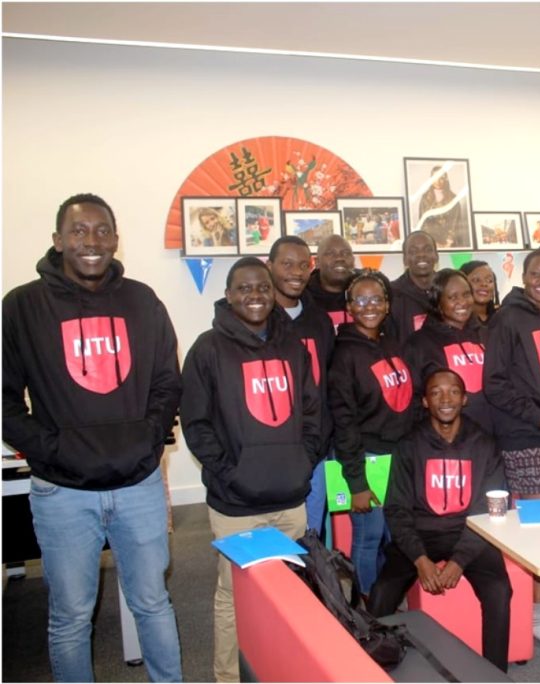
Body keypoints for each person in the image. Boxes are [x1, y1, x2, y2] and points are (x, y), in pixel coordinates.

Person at [2, 193, 183, 682]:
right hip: (62, 492)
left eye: (102, 230)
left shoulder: (142, 301)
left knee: (152, 602)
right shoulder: (21, 306)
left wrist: (147, 440)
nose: (91, 241)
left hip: (138, 485)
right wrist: (52, 450)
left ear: (116, 240)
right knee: (70, 617)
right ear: (58, 240)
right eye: (79, 231)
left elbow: (168, 381)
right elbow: (4, 400)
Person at [181, 256, 319, 682]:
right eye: (244, 288)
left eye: (261, 288)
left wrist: (303, 463)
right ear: (228, 295)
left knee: (292, 590)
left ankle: (284, 668)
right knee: (234, 596)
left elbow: (313, 413)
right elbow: (197, 424)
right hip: (236, 502)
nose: (254, 296)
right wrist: (230, 474)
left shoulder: (293, 346)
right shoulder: (207, 348)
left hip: (290, 497)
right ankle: (229, 677)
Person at [367, 368, 511, 671]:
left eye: (453, 392)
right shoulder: (409, 444)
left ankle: (496, 674)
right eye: (436, 392)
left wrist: (459, 560)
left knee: (499, 590)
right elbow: (397, 509)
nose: (445, 399)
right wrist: (419, 559)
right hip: (422, 533)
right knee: (382, 592)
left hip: (471, 533)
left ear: (465, 398)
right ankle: (372, 667)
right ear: (424, 401)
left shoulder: (484, 444)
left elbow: (489, 511)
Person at [483, 247, 540, 649]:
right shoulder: (507, 319)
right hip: (527, 438)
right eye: (537, 273)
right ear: (523, 274)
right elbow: (495, 383)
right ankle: (536, 617)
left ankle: (535, 607)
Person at [328, 270, 415, 600]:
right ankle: (367, 609)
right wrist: (357, 483)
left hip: (398, 459)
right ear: (349, 307)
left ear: (388, 305)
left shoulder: (390, 343)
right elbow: (344, 422)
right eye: (360, 300)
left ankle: (388, 601)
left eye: (376, 299)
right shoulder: (345, 354)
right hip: (367, 460)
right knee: (368, 537)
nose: (369, 306)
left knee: (396, 536)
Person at [267, 236, 336, 536]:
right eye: (287, 264)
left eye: (303, 265)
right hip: (269, 452)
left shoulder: (319, 321)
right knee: (274, 543)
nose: (296, 272)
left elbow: (329, 383)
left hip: (314, 454)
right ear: (269, 267)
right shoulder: (256, 321)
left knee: (311, 535)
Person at [404, 269, 492, 433]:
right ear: (438, 303)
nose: (462, 302)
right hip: (446, 442)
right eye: (452, 297)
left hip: (491, 439)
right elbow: (414, 400)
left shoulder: (487, 335)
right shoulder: (419, 344)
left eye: (466, 294)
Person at [388, 230, 439, 344]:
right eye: (413, 251)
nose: (421, 254)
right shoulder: (392, 295)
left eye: (427, 249)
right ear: (405, 259)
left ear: (436, 256)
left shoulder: (448, 289)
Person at [306, 234, 355, 331]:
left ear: (353, 260)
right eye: (330, 253)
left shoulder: (365, 292)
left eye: (345, 253)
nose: (339, 258)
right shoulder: (304, 298)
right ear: (317, 262)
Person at [418, 166, 465, 248]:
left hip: (450, 243)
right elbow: (423, 223)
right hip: (430, 243)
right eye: (435, 178)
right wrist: (434, 243)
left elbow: (456, 223)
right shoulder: (425, 199)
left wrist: (448, 242)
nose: (438, 181)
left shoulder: (454, 199)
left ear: (445, 179)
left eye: (441, 178)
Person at [460, 260, 499, 325]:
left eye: (489, 280)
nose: (484, 284)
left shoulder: (502, 318)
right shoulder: (456, 320)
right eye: (476, 280)